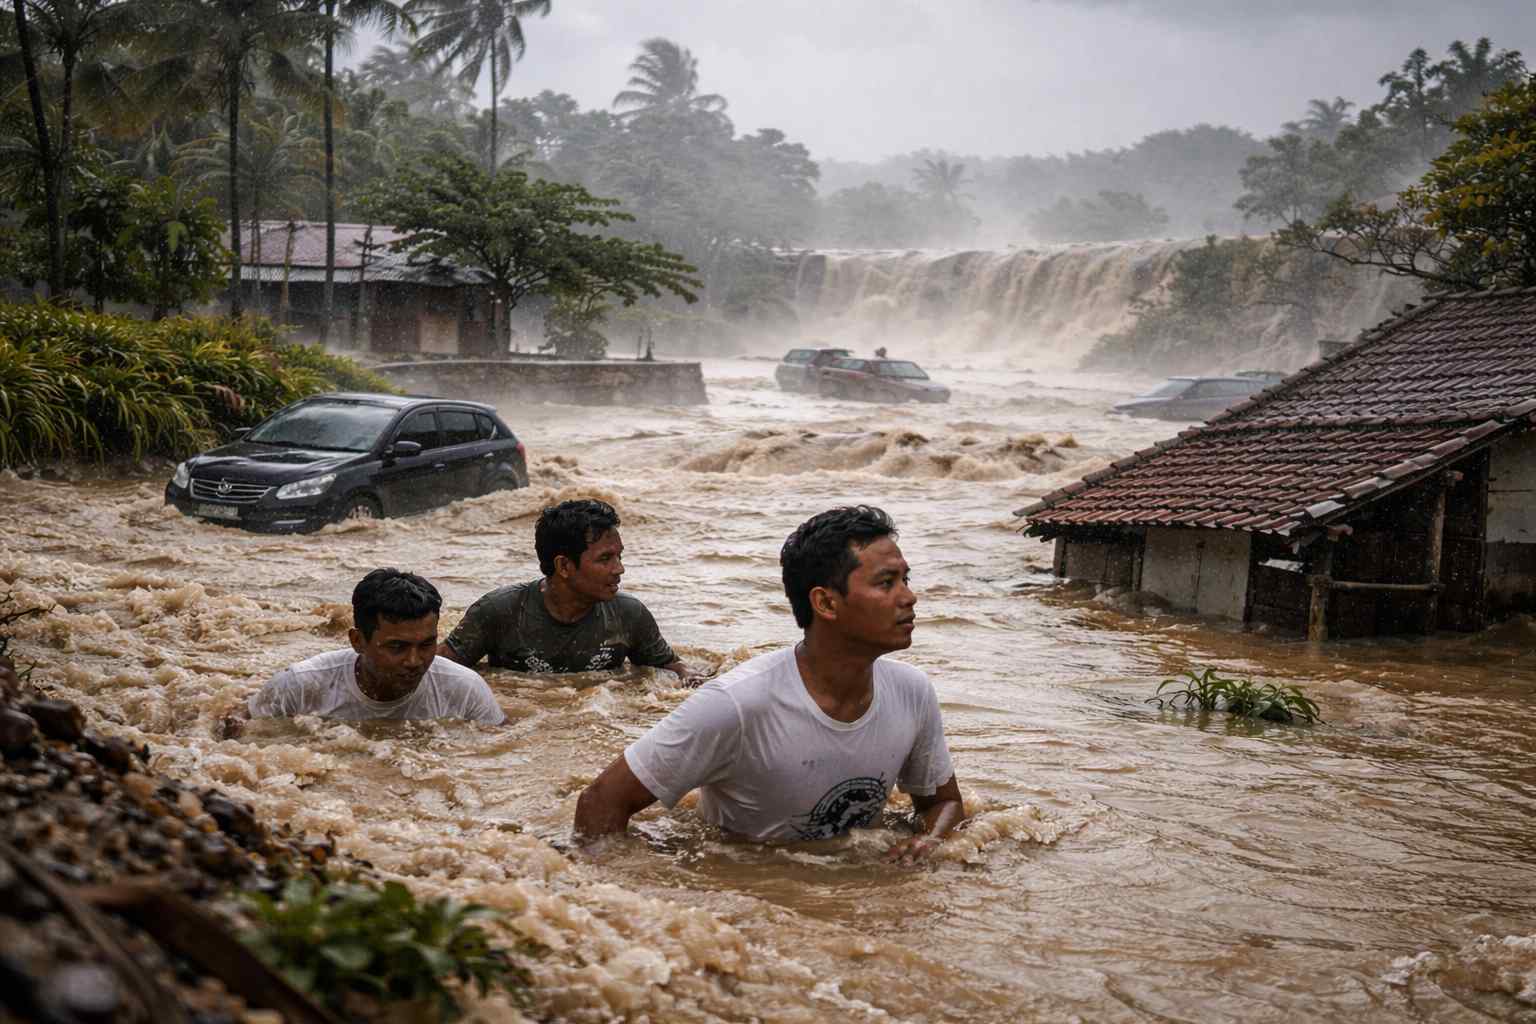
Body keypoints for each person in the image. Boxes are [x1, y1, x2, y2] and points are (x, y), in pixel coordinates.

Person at [574, 506, 964, 863]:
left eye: (905, 579)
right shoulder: (737, 704)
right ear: (825, 603)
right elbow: (599, 806)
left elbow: (941, 804)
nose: (909, 597)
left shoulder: (912, 691)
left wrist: (930, 841)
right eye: (886, 583)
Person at [439, 499, 695, 680]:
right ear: (563, 565)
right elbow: (439, 672)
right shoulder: (499, 611)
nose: (619, 569)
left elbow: (670, 669)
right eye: (605, 559)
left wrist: (688, 678)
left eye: (619, 557)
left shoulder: (629, 615)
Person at [239, 569, 504, 727]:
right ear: (358, 641)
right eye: (397, 647)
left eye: (426, 644)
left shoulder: (466, 690)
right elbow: (238, 737)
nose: (414, 661)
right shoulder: (299, 687)